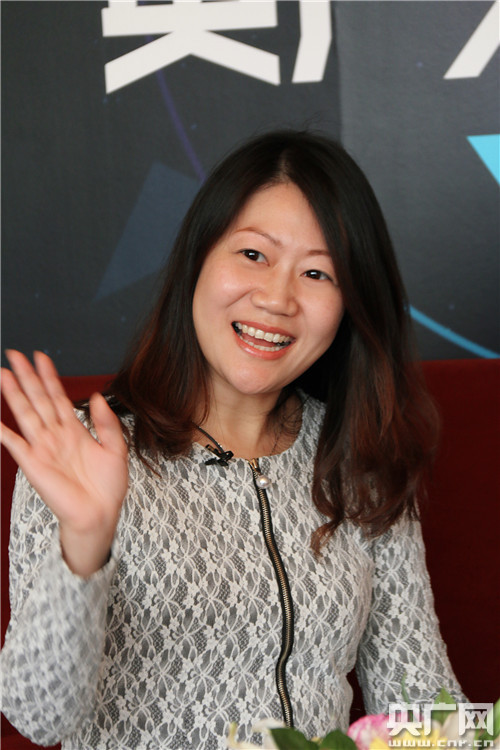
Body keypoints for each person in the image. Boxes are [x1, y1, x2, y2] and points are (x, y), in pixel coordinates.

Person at [0, 130, 464, 749]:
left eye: (317, 272)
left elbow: (423, 708)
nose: (276, 298)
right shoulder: (85, 452)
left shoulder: (361, 459)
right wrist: (84, 544)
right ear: (199, 258)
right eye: (253, 254)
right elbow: (38, 717)